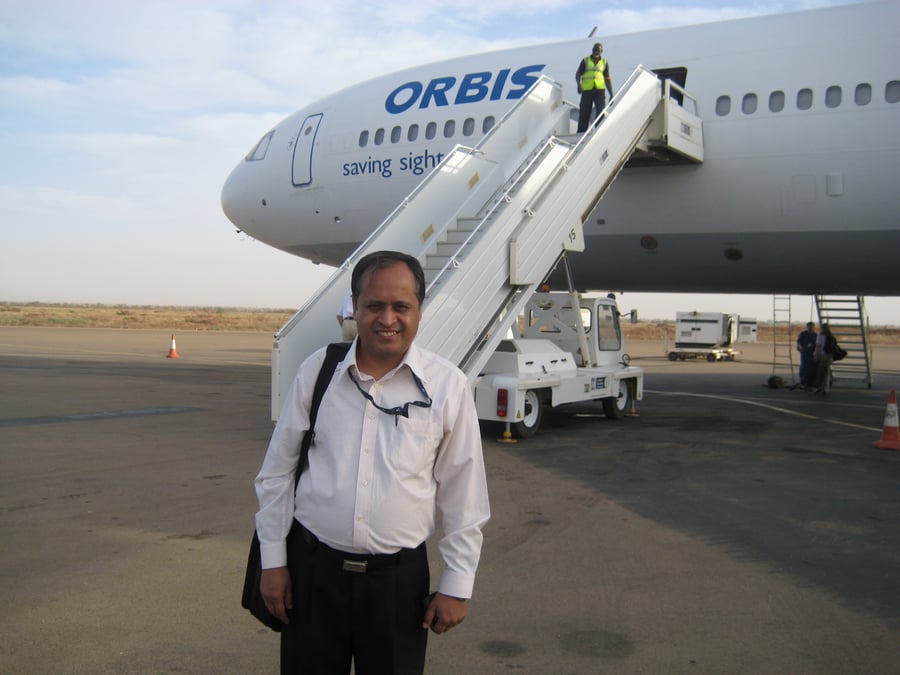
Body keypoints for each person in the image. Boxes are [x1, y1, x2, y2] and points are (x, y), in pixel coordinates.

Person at [255, 250, 491, 674]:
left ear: (420, 310)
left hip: (397, 587)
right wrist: (274, 562)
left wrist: (458, 584)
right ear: (355, 307)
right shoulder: (318, 372)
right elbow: (277, 472)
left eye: (401, 306)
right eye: (374, 306)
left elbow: (464, 494)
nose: (387, 319)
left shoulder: (447, 386)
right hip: (311, 577)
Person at [575, 42, 613, 133]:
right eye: (594, 50)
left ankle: (598, 130)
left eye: (598, 50)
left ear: (601, 51)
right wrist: (578, 84)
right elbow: (578, 74)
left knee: (601, 111)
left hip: (599, 90)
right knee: (584, 112)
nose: (596, 52)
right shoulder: (585, 60)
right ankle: (581, 132)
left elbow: (607, 78)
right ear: (592, 50)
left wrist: (611, 93)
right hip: (587, 90)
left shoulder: (604, 62)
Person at [812, 322, 835, 393]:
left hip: (822, 355)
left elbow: (818, 346)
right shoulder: (831, 336)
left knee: (820, 372)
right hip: (829, 356)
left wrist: (816, 355)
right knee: (827, 372)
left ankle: (820, 387)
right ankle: (826, 387)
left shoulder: (821, 336)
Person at [795, 321, 817, 387]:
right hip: (804, 352)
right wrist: (800, 346)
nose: (810, 328)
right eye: (808, 327)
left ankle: (810, 382)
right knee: (803, 367)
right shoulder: (803, 333)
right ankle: (802, 381)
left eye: (811, 327)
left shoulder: (815, 335)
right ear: (807, 327)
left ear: (813, 327)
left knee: (811, 368)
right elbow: (799, 341)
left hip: (811, 353)